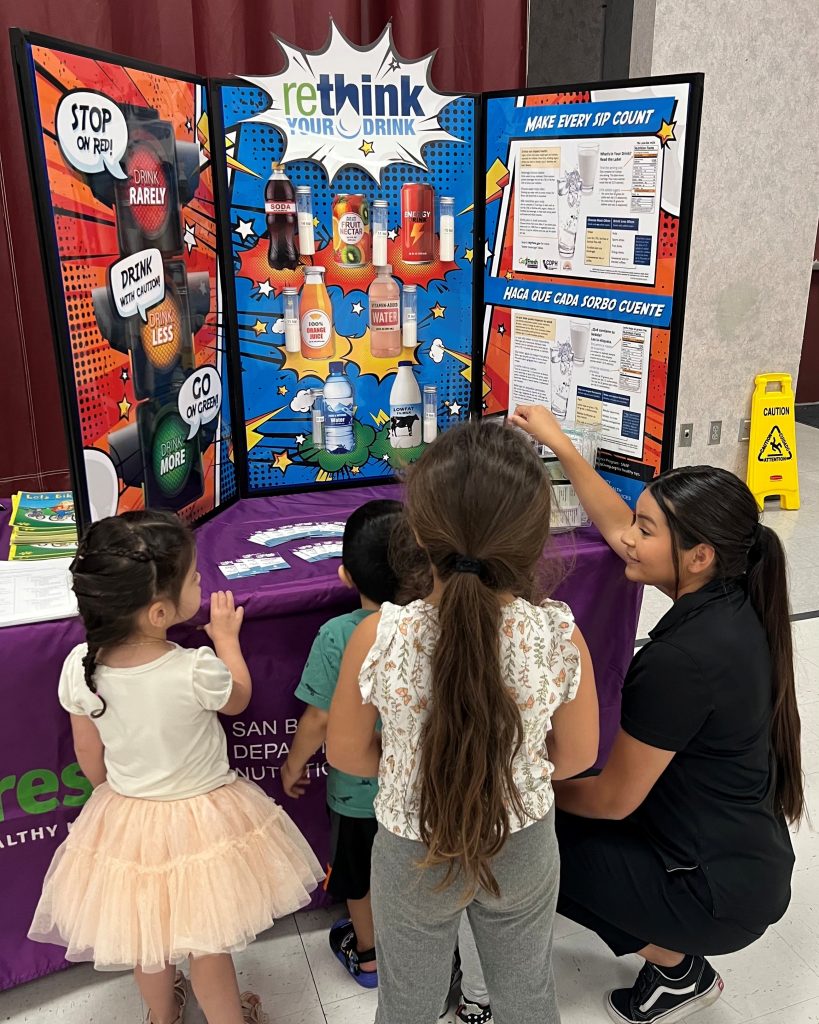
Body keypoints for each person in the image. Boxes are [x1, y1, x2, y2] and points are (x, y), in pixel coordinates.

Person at [509, 404, 801, 1024]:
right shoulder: (733, 595)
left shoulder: (683, 661)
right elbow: (616, 524)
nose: (627, 540)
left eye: (646, 531)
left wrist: (521, 787)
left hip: (713, 889)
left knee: (526, 845)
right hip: (744, 857)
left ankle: (678, 967)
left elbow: (613, 799)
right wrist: (559, 443)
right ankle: (676, 960)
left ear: (697, 555)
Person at [326, 421, 599, 1024]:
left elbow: (346, 754)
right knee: (528, 995)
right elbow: (576, 758)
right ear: (534, 539)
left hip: (411, 844)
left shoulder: (380, 636)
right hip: (522, 839)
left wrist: (410, 765)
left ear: (418, 532)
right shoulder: (559, 635)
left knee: (408, 1006)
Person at [29, 511, 324, 1024]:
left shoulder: (81, 666)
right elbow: (238, 700)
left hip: (128, 815)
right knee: (207, 942)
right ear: (160, 613)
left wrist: (115, 799)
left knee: (147, 939)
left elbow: (88, 755)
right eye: (194, 578)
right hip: (203, 819)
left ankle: (162, 1017)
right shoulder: (193, 667)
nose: (201, 582)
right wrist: (227, 641)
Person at [281, 499, 406, 988]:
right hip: (418, 790)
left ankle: (371, 955)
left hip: (357, 797)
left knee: (357, 877)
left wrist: (293, 766)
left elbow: (318, 719)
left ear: (345, 576)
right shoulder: (435, 624)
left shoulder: (337, 634)